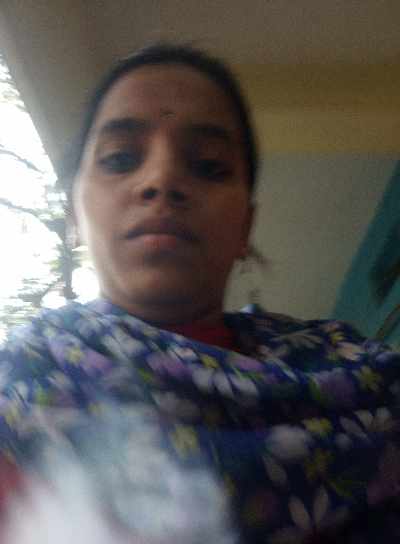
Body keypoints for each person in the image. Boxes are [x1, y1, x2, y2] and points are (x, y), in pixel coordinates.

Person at [0, 43, 400, 543]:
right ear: (74, 216)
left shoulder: (361, 378)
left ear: (245, 228)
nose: (161, 179)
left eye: (210, 166)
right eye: (120, 158)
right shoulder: (21, 389)